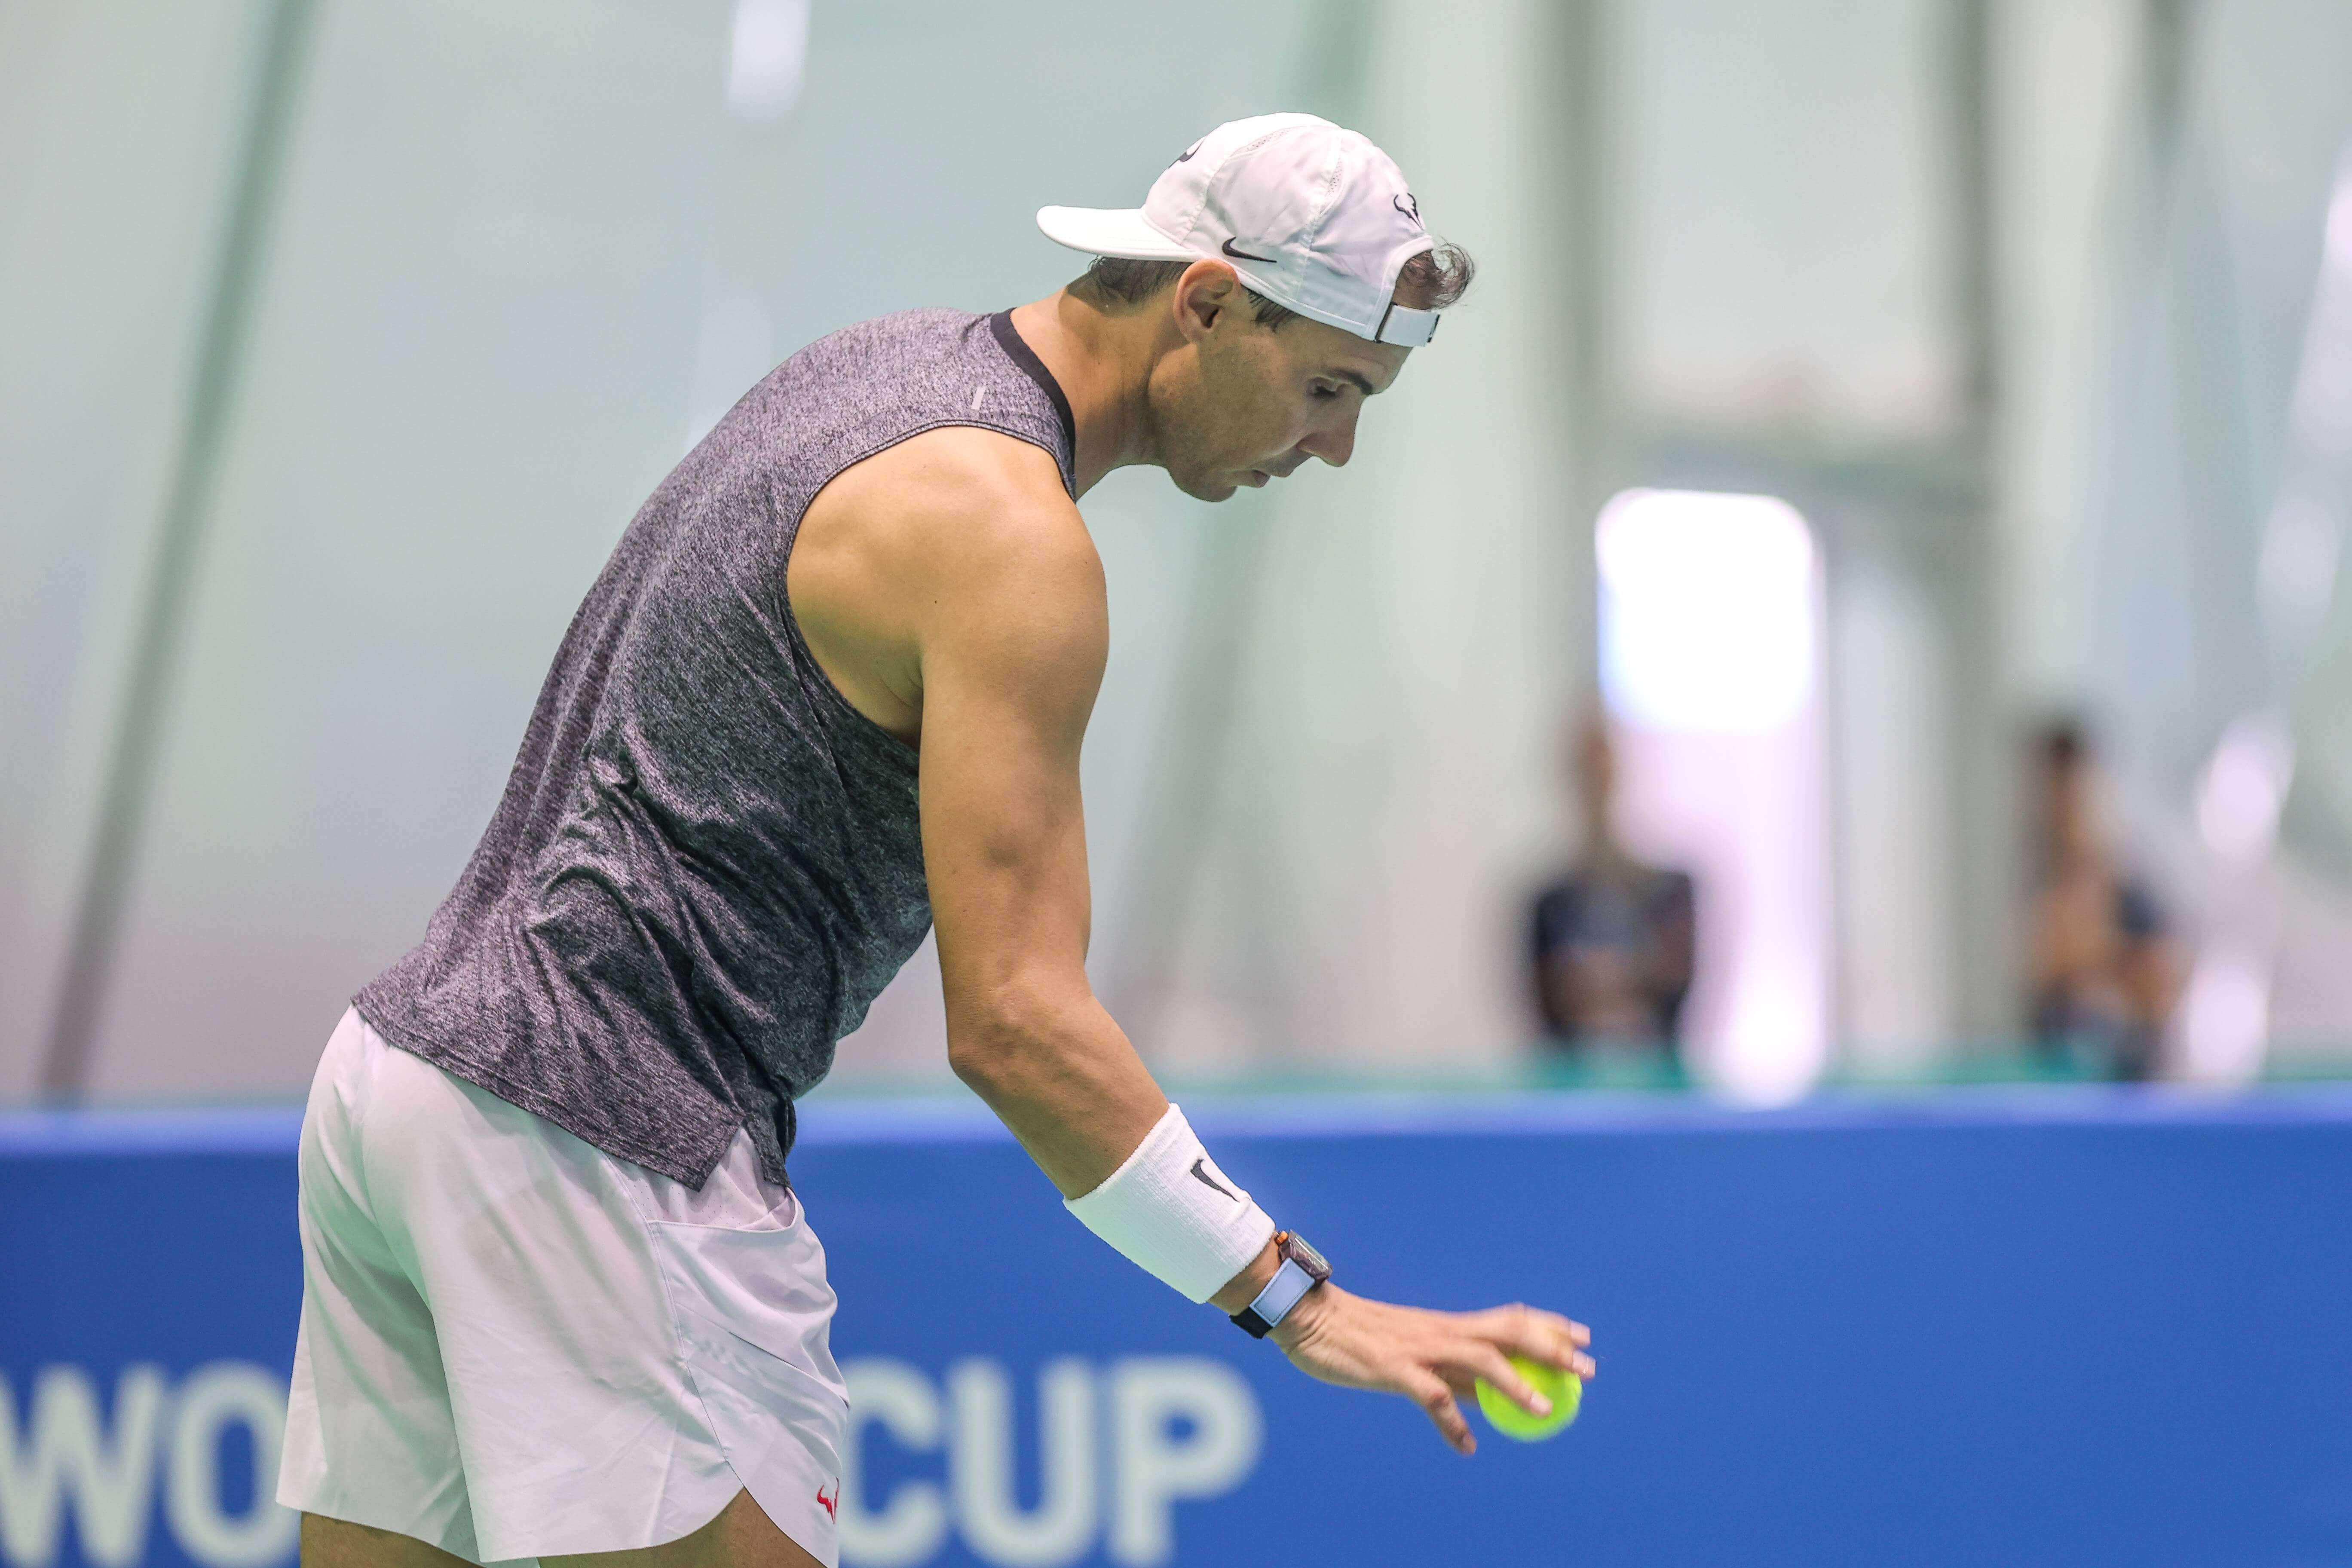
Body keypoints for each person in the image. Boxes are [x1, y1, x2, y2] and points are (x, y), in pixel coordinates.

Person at [279, 113, 1595, 1568]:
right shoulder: (1011, 538)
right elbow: (1020, 1023)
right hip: (600, 1134)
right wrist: (1302, 1300)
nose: (1335, 444)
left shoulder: (881, 366)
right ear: (1206, 302)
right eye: (1329, 386)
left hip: (402, 1087)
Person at [1529, 715, 1695, 1059]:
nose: (1598, 781)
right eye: (1588, 769)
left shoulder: (1671, 893)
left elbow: (1678, 987)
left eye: (1604, 766)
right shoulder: (1548, 906)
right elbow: (1544, 1009)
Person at [2026, 722, 2182, 1079]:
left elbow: (2163, 986)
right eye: (2053, 794)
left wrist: (2101, 955)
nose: (2062, 809)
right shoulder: (2037, 892)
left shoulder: (2133, 893)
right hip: (2058, 1089)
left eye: (2072, 793)